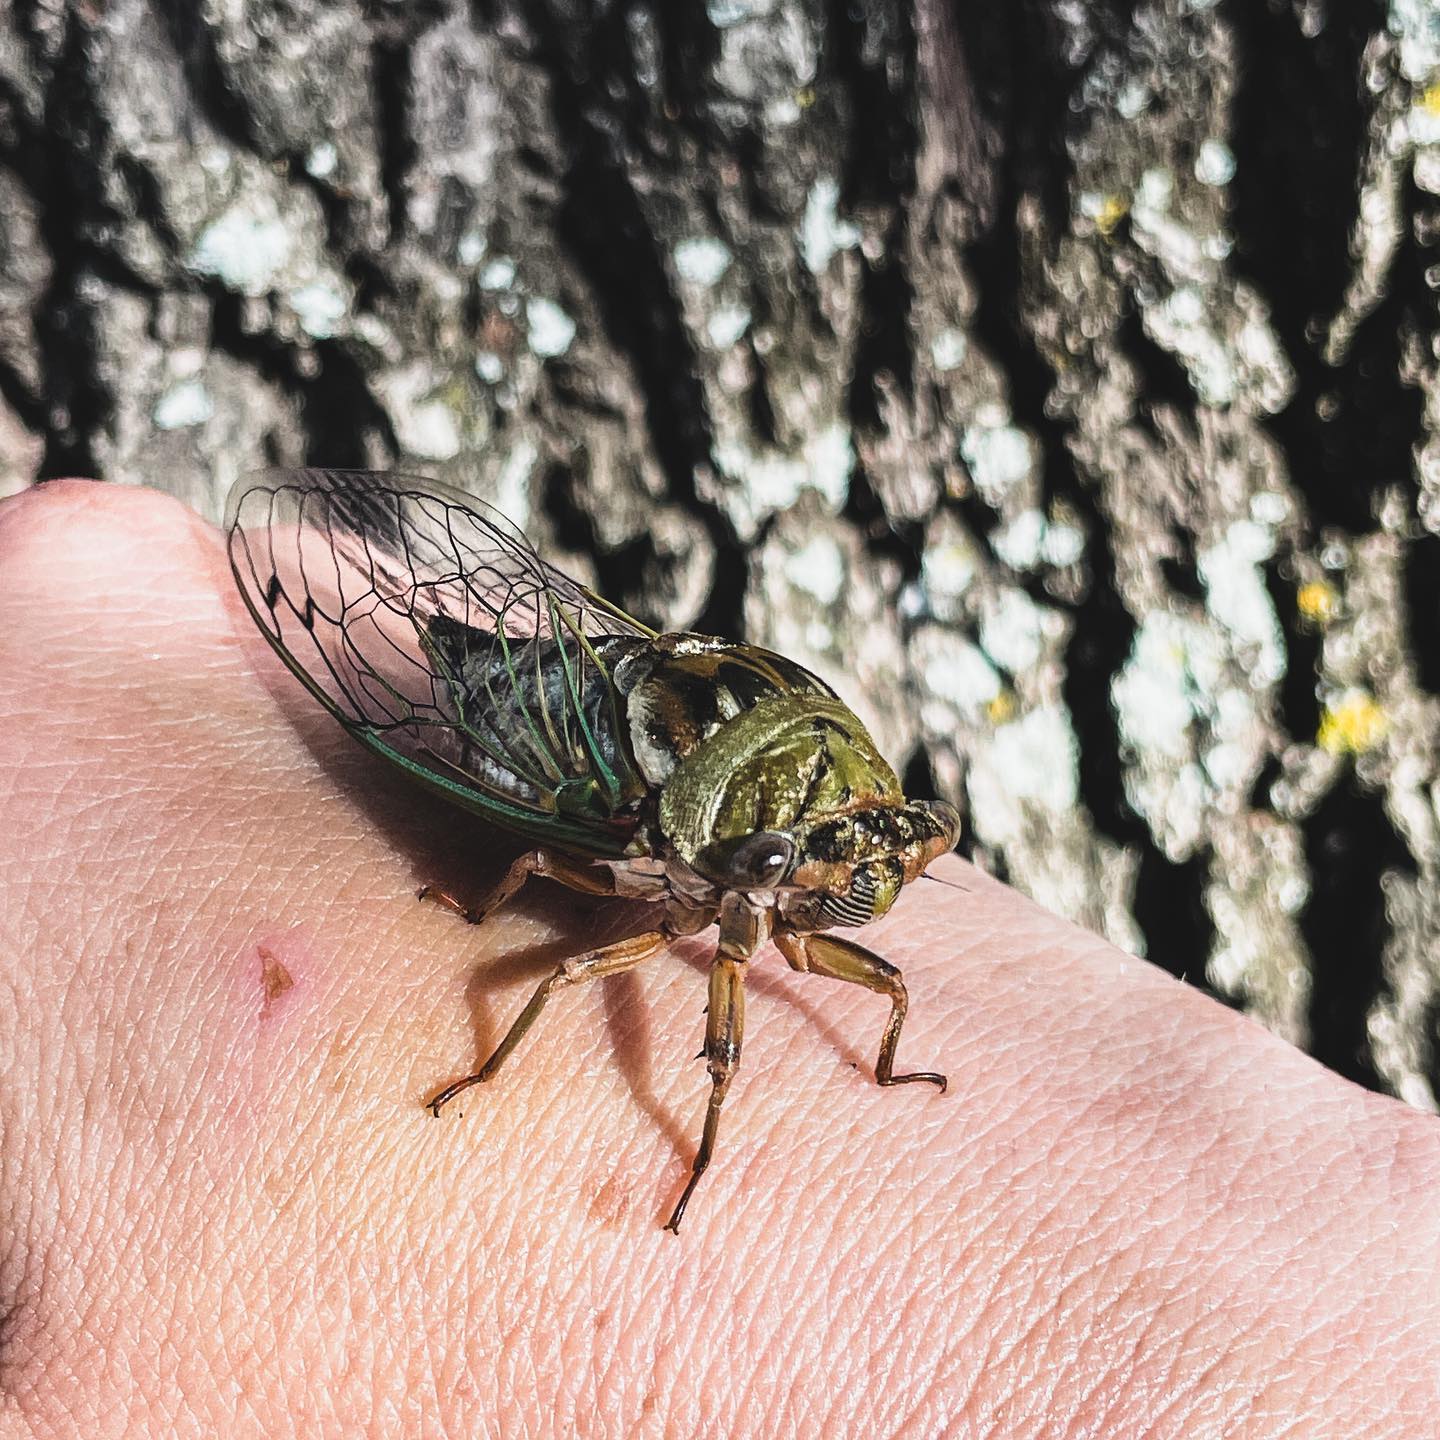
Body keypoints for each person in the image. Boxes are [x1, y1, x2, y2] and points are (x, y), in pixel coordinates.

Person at [1, 479, 1436, 1438]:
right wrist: (483, 961)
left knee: (880, 986)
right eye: (819, 865)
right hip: (554, 747)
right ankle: (679, 1143)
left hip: (689, 729)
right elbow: (558, 936)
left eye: (873, 858)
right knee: (560, 961)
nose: (852, 891)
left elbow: (857, 904)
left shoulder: (834, 853)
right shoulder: (689, 875)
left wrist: (874, 1005)